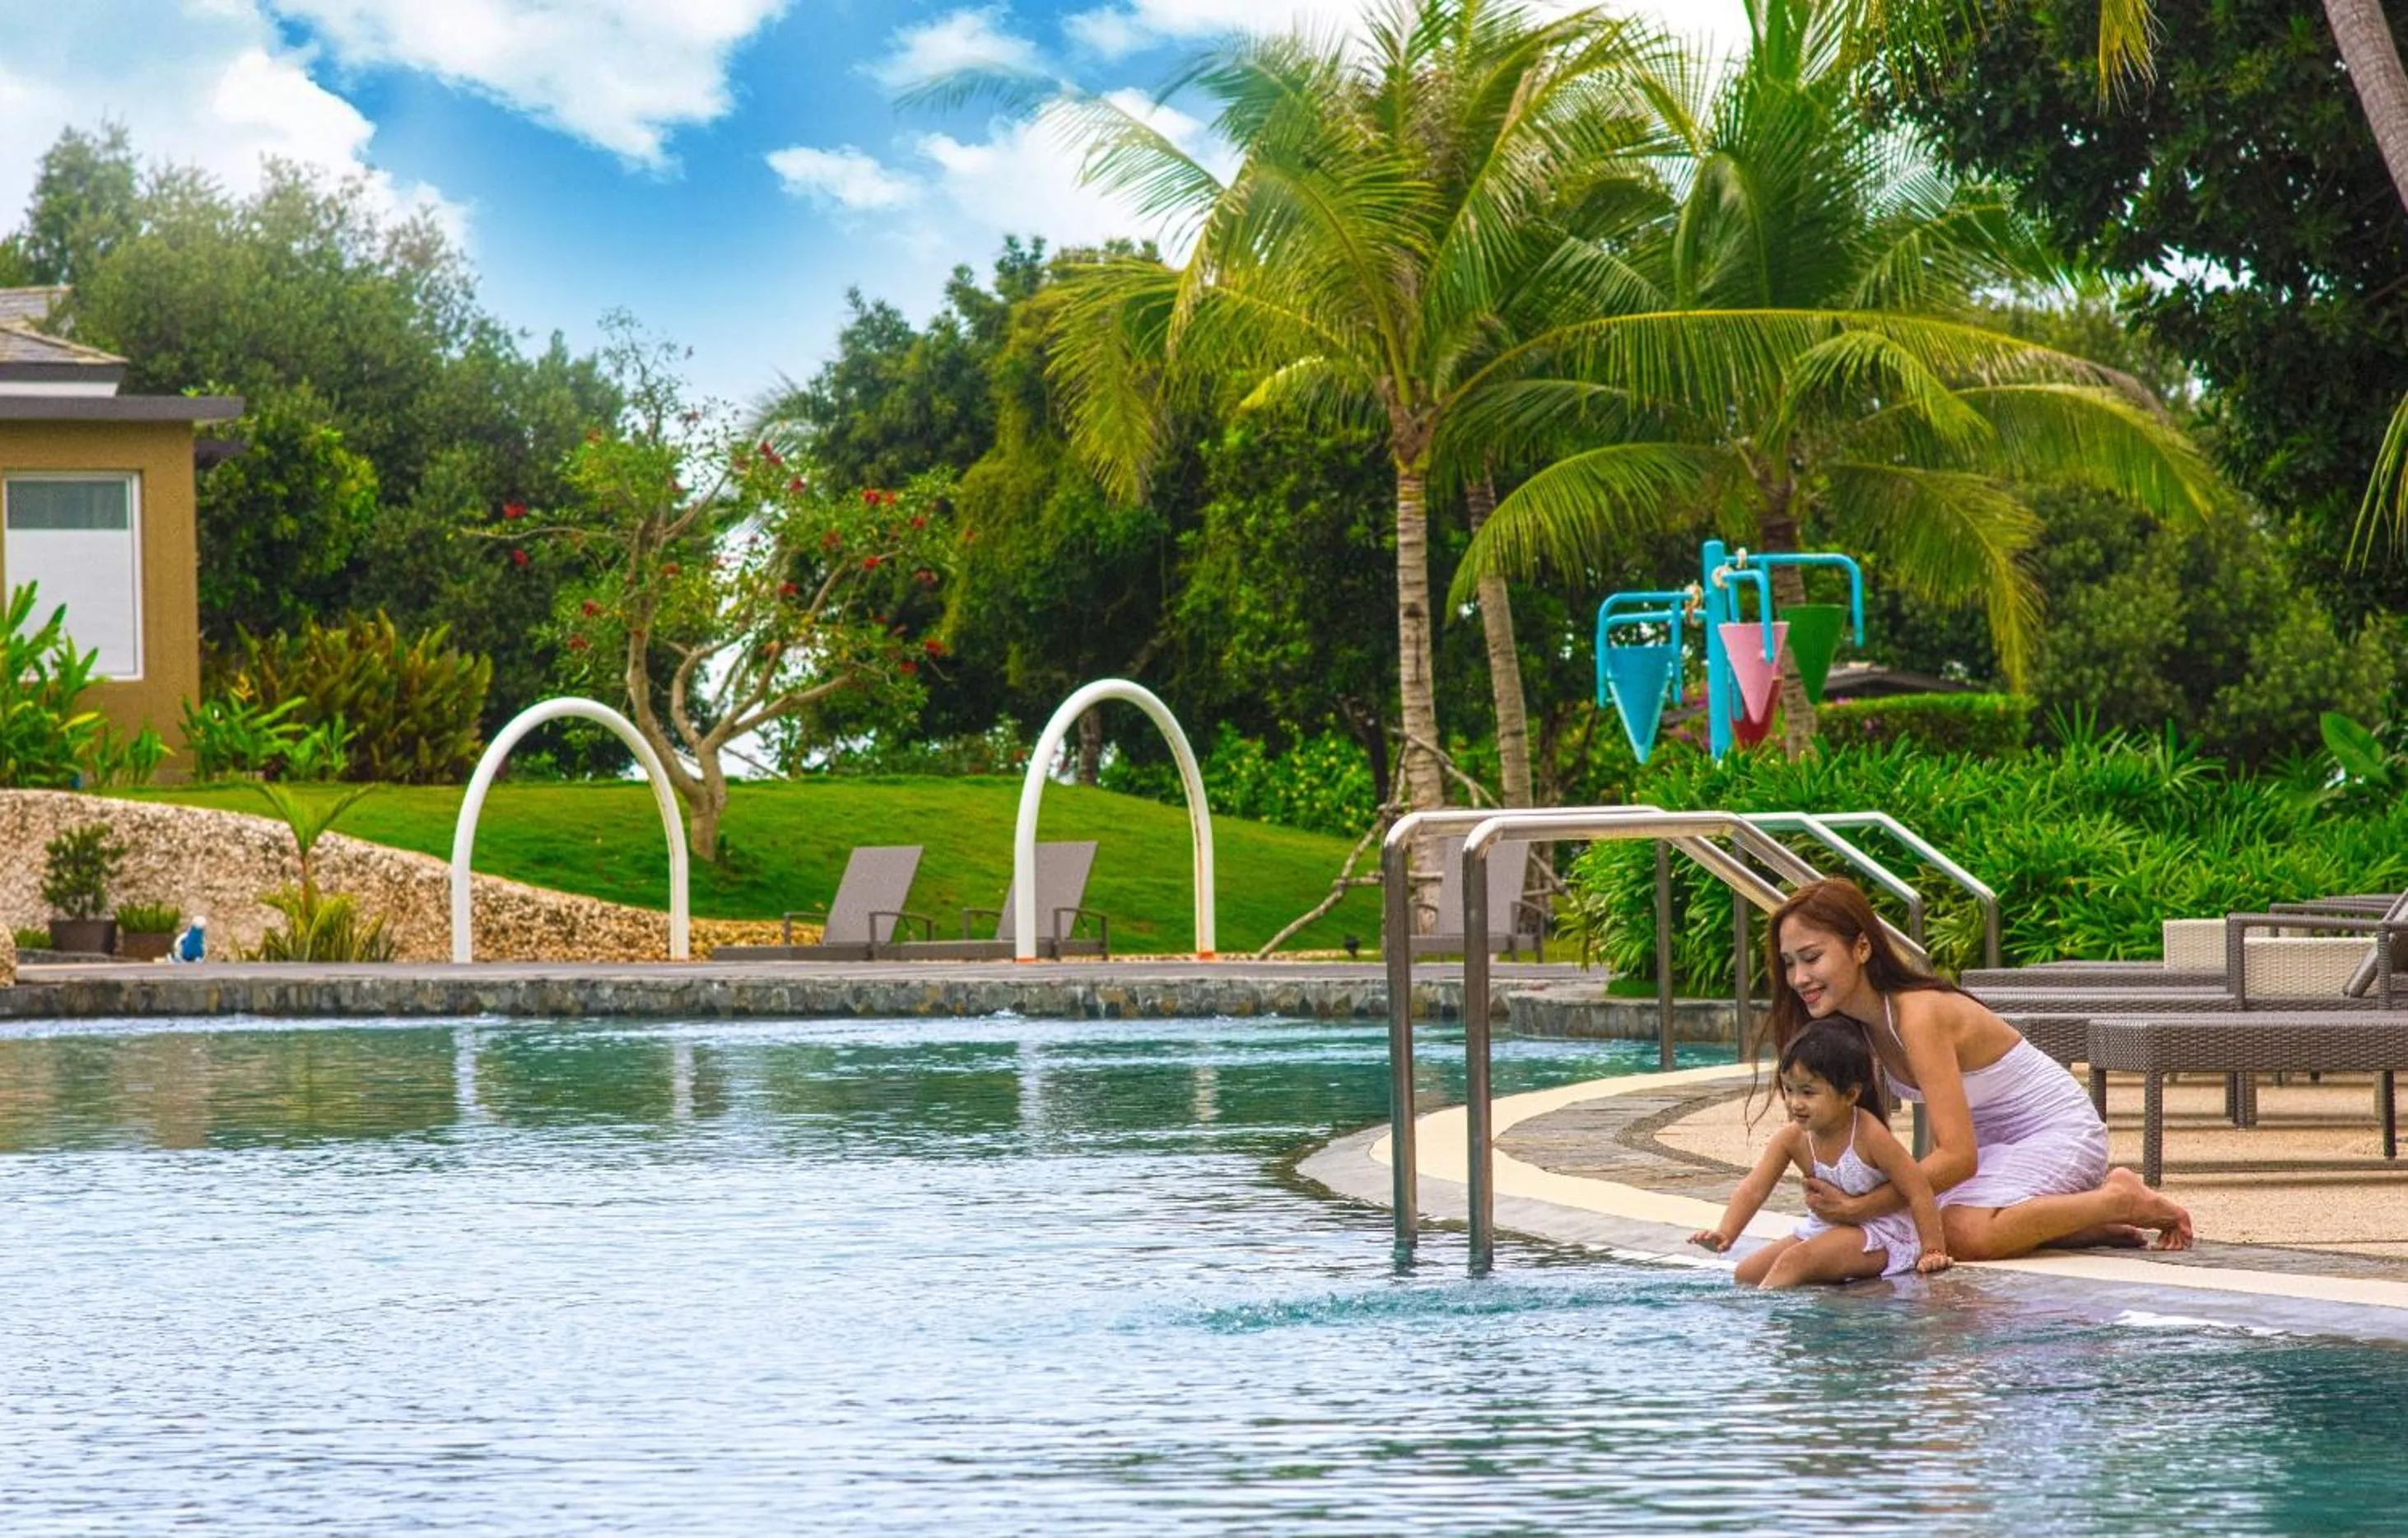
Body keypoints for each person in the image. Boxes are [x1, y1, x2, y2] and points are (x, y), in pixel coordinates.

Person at [1770, 879, 2193, 1257]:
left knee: (1959, 1233)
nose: (1799, 977)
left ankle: (2119, 1198)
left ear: (1862, 947)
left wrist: (1863, 1206)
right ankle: (2079, 1226)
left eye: (1811, 958)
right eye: (1790, 963)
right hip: (1995, 1151)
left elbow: (1958, 1157)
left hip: (2056, 1132)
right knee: (1910, 1226)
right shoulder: (1858, 1030)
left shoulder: (1918, 1016)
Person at [1691, 1019, 1953, 1287]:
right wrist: (1726, 1233)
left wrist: (1933, 1249)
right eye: (1789, 1090)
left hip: (1880, 1234)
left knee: (1793, 1262)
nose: (1795, 1103)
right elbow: (1754, 1188)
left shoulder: (1869, 1135)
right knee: (1746, 1274)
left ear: (1850, 1095)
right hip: (1824, 1229)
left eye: (1808, 1092)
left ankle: (1768, 1320)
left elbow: (1918, 1188)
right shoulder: (1792, 1138)